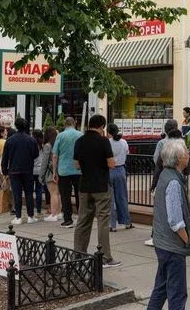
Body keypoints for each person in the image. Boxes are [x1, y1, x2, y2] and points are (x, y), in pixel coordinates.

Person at [147, 139, 190, 310]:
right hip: (172, 246)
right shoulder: (174, 182)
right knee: (177, 293)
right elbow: (175, 221)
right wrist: (187, 240)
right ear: (179, 158)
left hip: (163, 243)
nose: (189, 155)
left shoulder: (165, 175)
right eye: (186, 152)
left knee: (161, 288)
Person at [73, 114, 121, 268]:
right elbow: (111, 164)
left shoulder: (80, 141)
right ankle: (105, 257)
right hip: (101, 186)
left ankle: (78, 255)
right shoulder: (103, 141)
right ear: (102, 126)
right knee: (103, 221)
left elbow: (76, 165)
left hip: (84, 186)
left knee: (83, 221)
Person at [146, 125, 185, 247]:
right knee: (177, 210)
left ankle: (157, 236)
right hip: (179, 181)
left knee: (162, 210)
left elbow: (157, 165)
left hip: (164, 181)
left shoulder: (164, 146)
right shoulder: (182, 148)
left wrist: (154, 184)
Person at [1, 118, 40, 225]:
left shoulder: (10, 140)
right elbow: (36, 154)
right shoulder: (31, 140)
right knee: (29, 193)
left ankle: (18, 217)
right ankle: (30, 216)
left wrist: (5, 171)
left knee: (17, 194)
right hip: (28, 170)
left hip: (14, 171)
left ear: (16, 126)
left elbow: (5, 157)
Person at [53, 117, 82, 228]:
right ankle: (81, 218)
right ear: (74, 123)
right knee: (80, 195)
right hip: (78, 170)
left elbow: (55, 155)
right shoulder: (80, 135)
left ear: (65, 124)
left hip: (63, 170)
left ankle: (68, 220)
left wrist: (54, 171)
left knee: (65, 196)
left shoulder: (60, 136)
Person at [108, 123, 133, 232]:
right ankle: (126, 222)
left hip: (110, 170)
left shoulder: (108, 142)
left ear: (109, 132)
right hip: (121, 170)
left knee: (111, 198)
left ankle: (112, 224)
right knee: (122, 197)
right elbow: (127, 153)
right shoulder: (124, 142)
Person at [40, 127, 61, 222]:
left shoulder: (47, 146)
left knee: (53, 193)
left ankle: (53, 214)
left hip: (50, 172)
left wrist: (41, 175)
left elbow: (44, 162)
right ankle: (59, 213)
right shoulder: (57, 144)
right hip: (58, 171)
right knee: (57, 193)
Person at [32, 129, 45, 218]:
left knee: (30, 190)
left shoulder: (32, 144)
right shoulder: (43, 145)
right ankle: (39, 210)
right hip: (40, 170)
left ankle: (31, 210)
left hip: (32, 169)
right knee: (39, 190)